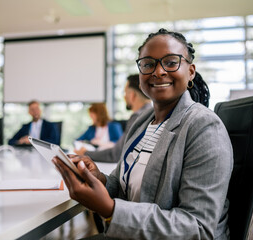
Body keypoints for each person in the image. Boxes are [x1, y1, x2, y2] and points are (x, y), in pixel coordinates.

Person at [53, 28, 233, 239]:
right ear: (140, 77)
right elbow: (126, 188)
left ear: (190, 71)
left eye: (171, 62)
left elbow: (197, 228)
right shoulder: (142, 123)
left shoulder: (204, 128)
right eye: (148, 64)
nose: (158, 71)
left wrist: (111, 210)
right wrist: (100, 179)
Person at [74, 74, 152, 162]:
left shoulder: (138, 118)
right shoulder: (154, 114)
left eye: (125, 92)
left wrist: (85, 153)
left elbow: (115, 154)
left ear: (132, 95)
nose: (124, 96)